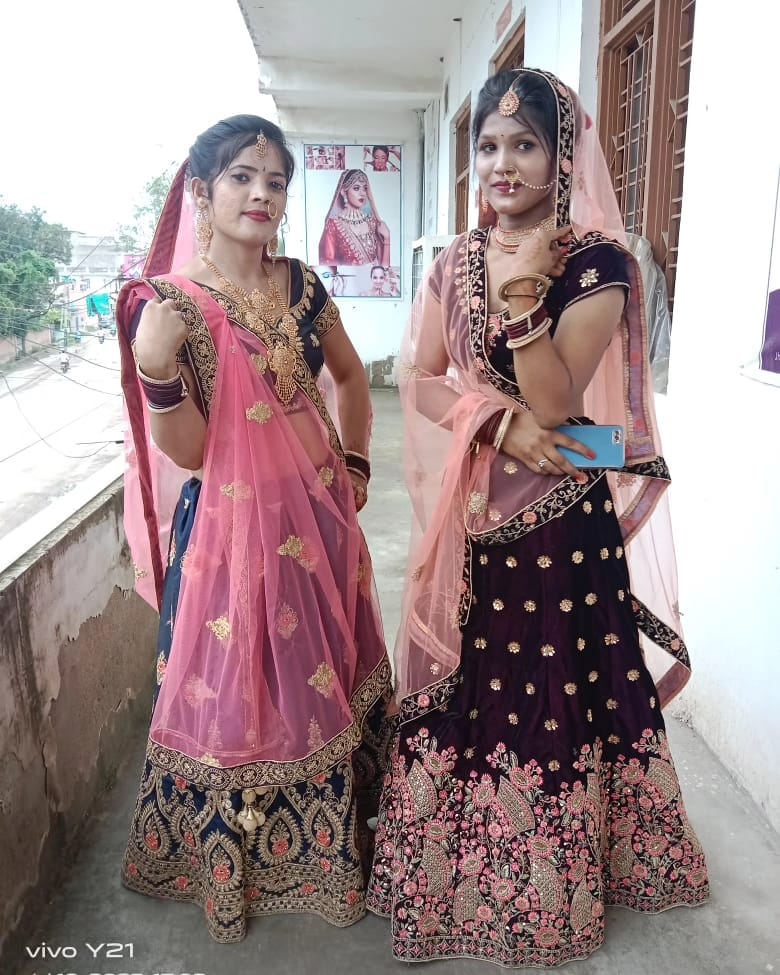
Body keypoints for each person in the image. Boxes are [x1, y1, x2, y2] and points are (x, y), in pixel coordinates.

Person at [367, 68, 708, 967]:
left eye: (524, 144)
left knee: (560, 687)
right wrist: (497, 424)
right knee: (473, 682)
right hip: (474, 515)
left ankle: (558, 869)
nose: (502, 164)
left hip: (561, 523)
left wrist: (523, 301)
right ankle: (459, 858)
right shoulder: (453, 261)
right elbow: (419, 377)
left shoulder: (597, 261)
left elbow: (559, 404)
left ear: (562, 158)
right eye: (488, 146)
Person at [116, 115, 394, 944]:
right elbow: (191, 451)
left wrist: (355, 464)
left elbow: (350, 376)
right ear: (202, 192)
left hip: (321, 520)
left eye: (276, 181)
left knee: (321, 679)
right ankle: (240, 859)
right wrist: (157, 371)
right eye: (242, 177)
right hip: (230, 535)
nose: (262, 194)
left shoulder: (302, 286)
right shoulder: (172, 306)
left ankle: (328, 841)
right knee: (241, 692)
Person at [319, 169, 391, 266]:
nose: (363, 193)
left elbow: (384, 268)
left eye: (365, 188)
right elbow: (327, 265)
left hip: (374, 276)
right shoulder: (333, 225)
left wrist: (387, 239)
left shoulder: (372, 222)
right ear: (343, 192)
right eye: (356, 188)